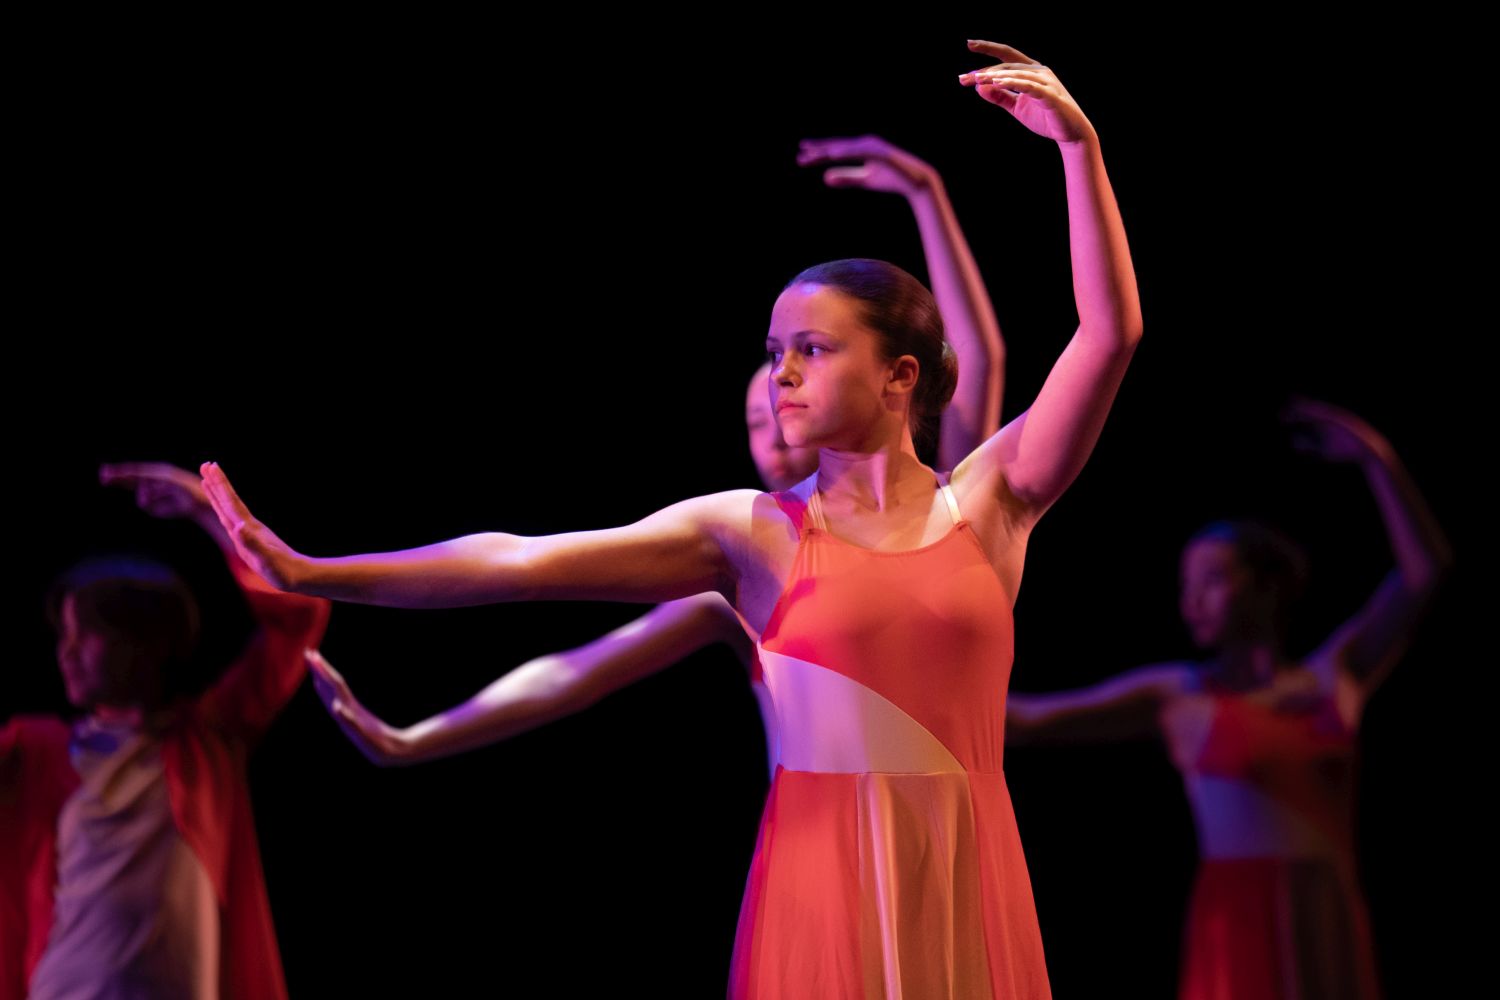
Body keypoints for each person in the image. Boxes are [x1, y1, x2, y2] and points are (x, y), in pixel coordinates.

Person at [201, 40, 1141, 999]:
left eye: (812, 350)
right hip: (822, 887)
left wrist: (1078, 148)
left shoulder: (991, 498)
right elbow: (522, 562)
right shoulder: (752, 533)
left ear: (901, 375)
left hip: (966, 876)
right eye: (774, 352)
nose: (780, 374)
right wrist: (315, 572)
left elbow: (1108, 335)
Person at [305, 134, 1005, 776]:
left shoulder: (939, 512)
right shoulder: (744, 558)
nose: (773, 426)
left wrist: (926, 194)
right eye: (755, 418)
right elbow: (577, 668)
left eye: (805, 370)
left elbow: (975, 362)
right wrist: (415, 738)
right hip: (818, 840)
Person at [1005, 400, 1451, 1000]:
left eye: (1212, 580)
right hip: (1237, 923)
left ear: (1267, 587)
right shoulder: (1180, 696)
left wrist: (1379, 460)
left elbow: (1424, 573)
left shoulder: (1334, 677)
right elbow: (1028, 721)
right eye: (1185, 585)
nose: (1192, 600)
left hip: (1326, 917)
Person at [1, 463, 331, 1000]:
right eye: (63, 635)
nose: (66, 652)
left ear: (144, 642)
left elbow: (300, 618)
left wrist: (207, 512)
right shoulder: (33, 752)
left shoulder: (208, 739)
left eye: (87, 634)